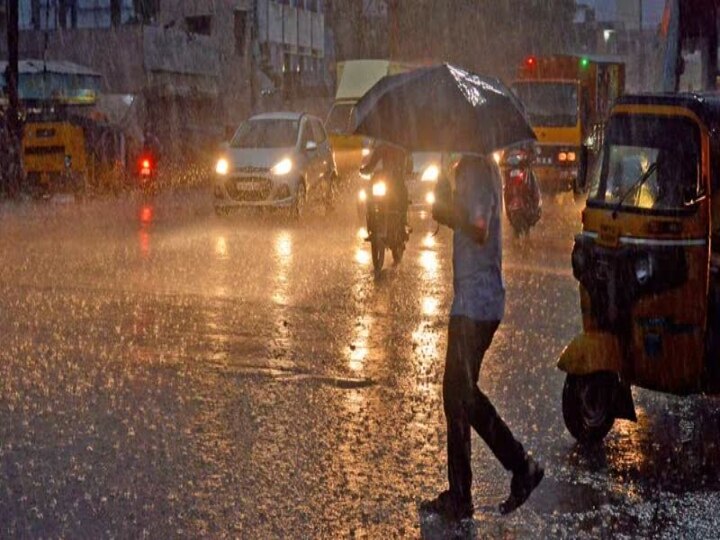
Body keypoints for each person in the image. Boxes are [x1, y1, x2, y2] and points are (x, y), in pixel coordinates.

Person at [422, 154, 543, 521]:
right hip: (476, 301)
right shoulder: (476, 167)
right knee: (460, 395)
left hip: (475, 306)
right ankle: (474, 488)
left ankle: (515, 468)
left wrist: (446, 211)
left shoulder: (476, 170)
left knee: (459, 394)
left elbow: (478, 227)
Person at [360, 141, 410, 235]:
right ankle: (372, 223)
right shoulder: (381, 148)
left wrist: (405, 172)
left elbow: (407, 167)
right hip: (385, 181)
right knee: (371, 198)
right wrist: (364, 171)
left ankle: (403, 223)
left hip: (397, 182)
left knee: (403, 195)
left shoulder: (401, 149)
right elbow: (372, 164)